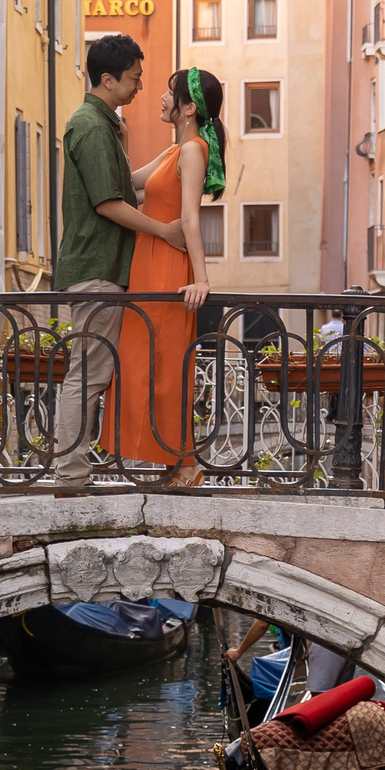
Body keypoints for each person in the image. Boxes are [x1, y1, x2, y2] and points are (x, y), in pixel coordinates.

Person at [51, 34, 186, 492]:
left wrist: (124, 141)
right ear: (107, 79)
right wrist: (165, 231)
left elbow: (121, 189)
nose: (139, 87)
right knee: (88, 374)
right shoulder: (89, 126)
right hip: (97, 269)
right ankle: (70, 475)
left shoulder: (102, 125)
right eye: (133, 79)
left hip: (103, 267)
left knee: (92, 371)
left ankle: (74, 470)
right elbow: (108, 203)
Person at [101, 67, 226, 488]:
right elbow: (130, 182)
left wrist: (201, 279)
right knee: (142, 363)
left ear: (188, 108)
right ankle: (173, 462)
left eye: (169, 93)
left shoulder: (192, 150)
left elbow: (190, 217)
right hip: (149, 266)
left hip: (169, 269)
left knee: (167, 367)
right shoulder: (175, 151)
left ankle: (186, 464)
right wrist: (119, 137)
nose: (160, 97)